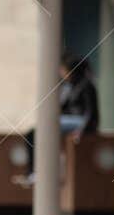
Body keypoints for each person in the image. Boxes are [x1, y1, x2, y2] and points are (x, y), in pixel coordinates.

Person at [21, 54, 101, 182]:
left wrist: (82, 130)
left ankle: (42, 170)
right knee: (33, 134)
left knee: (48, 128)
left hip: (79, 121)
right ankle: (33, 170)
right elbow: (60, 107)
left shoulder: (86, 85)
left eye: (64, 70)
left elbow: (91, 112)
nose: (62, 73)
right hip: (66, 120)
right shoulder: (67, 87)